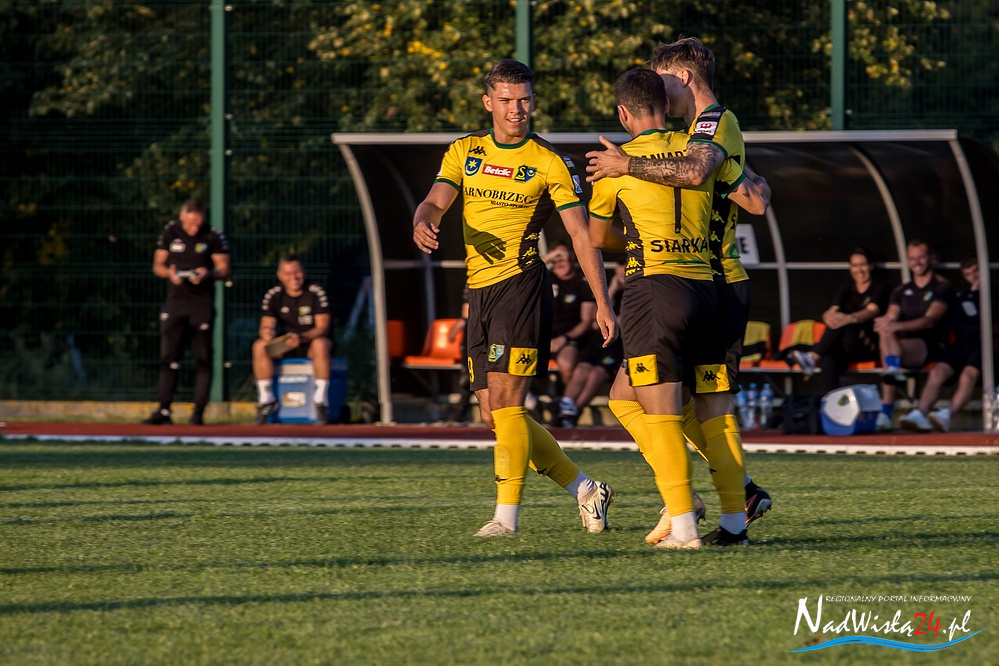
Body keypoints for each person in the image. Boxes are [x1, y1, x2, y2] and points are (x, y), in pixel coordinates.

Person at [412, 59, 619, 537]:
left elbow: (582, 236)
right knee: (494, 415)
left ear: (533, 102)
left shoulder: (550, 161)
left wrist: (603, 302)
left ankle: (505, 520)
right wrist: (422, 220)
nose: (516, 109)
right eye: (506, 100)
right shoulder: (465, 151)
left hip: (522, 288)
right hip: (479, 292)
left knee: (507, 404)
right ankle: (586, 489)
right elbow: (436, 201)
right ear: (488, 102)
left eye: (524, 100)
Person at [586, 38, 773, 539]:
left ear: (683, 78)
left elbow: (696, 174)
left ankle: (689, 509)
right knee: (649, 399)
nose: (659, 87)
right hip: (707, 284)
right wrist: (749, 176)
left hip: (705, 279)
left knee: (662, 406)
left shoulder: (710, 127)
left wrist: (624, 166)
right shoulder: (696, 136)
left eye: (663, 76)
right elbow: (755, 195)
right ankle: (732, 505)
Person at [143, 199, 230, 426]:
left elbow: (224, 269)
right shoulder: (170, 231)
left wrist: (208, 274)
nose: (194, 228)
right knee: (169, 358)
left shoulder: (212, 235)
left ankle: (198, 413)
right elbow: (158, 265)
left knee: (203, 358)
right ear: (182, 216)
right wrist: (170, 274)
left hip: (201, 305)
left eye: (198, 224)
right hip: (175, 303)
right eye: (190, 223)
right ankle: (163, 410)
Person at [873, 239, 953, 430]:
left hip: (930, 344)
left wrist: (897, 325)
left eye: (921, 258)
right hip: (902, 345)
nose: (917, 263)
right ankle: (893, 369)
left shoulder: (942, 287)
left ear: (931, 258)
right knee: (885, 330)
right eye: (912, 258)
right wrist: (885, 323)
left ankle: (886, 410)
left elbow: (930, 320)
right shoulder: (901, 290)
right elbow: (891, 316)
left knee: (889, 345)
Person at [789, 247, 888, 395]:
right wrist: (828, 316)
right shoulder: (845, 289)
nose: (859, 270)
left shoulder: (879, 288)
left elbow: (872, 311)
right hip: (843, 346)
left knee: (845, 317)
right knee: (829, 358)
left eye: (863, 265)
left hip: (866, 345)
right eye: (855, 265)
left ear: (871, 266)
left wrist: (849, 318)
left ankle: (813, 356)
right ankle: (829, 402)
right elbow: (833, 311)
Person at [900, 257, 982, 432]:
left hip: (985, 346)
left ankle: (947, 416)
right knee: (938, 371)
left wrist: (977, 294)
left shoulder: (992, 293)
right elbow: (959, 322)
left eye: (976, 271)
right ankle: (920, 414)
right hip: (962, 344)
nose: (973, 277)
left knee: (968, 374)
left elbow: (984, 321)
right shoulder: (963, 295)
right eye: (968, 274)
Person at [251, 255, 334, 425]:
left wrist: (302, 337)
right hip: (285, 345)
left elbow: (322, 327)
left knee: (320, 344)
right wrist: (267, 333)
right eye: (288, 273)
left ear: (303, 272)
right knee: (259, 346)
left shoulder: (316, 292)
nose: (294, 277)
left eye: (297, 272)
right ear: (280, 275)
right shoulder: (274, 295)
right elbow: (266, 325)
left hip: (310, 343)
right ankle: (266, 399)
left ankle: (320, 401)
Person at [557, 264, 625, 427]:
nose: (621, 274)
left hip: (620, 343)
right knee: (581, 369)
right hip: (599, 340)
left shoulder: (636, 290)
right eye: (619, 270)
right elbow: (596, 320)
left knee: (596, 373)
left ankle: (573, 412)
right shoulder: (609, 292)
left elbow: (624, 322)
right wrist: (613, 287)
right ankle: (566, 405)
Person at [546, 241, 597, 421]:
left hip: (571, 335)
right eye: (556, 258)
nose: (560, 262)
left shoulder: (582, 281)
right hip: (543, 335)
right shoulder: (546, 277)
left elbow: (586, 321)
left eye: (563, 257)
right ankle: (534, 405)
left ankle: (566, 406)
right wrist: (548, 258)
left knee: (567, 363)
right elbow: (523, 273)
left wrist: (564, 338)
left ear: (572, 257)